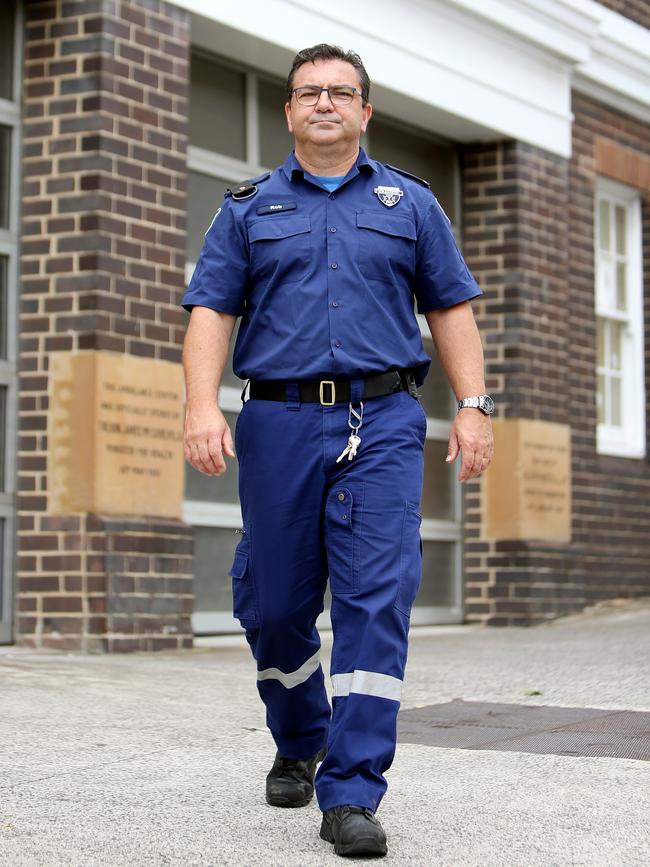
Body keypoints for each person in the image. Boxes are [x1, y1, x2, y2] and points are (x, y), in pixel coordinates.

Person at [181, 43, 494, 859]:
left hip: (385, 419)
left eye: (340, 92)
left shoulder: (412, 204)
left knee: (375, 598)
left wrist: (472, 407)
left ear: (364, 111)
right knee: (276, 603)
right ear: (288, 112)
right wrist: (198, 408)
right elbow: (211, 313)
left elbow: (452, 307)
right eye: (308, 92)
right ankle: (299, 733)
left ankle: (351, 789)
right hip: (278, 422)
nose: (324, 103)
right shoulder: (245, 209)